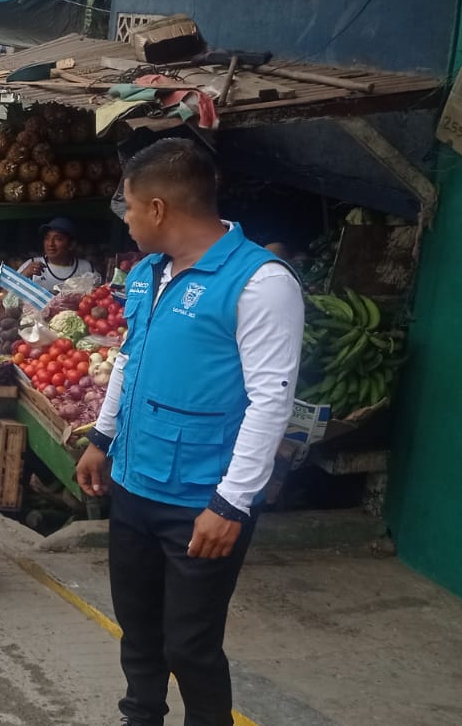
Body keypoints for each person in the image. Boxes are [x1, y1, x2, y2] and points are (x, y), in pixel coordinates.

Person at [74, 138, 303, 726]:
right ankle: (140, 716)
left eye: (129, 207)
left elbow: (271, 401)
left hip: (201, 502)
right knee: (138, 631)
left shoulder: (260, 282)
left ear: (158, 209)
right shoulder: (147, 273)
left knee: (190, 646)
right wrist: (102, 438)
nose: (126, 221)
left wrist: (231, 504)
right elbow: (129, 358)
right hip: (134, 485)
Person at [21, 217, 96, 290]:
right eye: (47, 238)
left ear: (71, 244)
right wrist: (24, 274)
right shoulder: (32, 264)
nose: (50, 243)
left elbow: (98, 294)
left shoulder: (86, 268)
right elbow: (13, 293)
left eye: (58, 239)